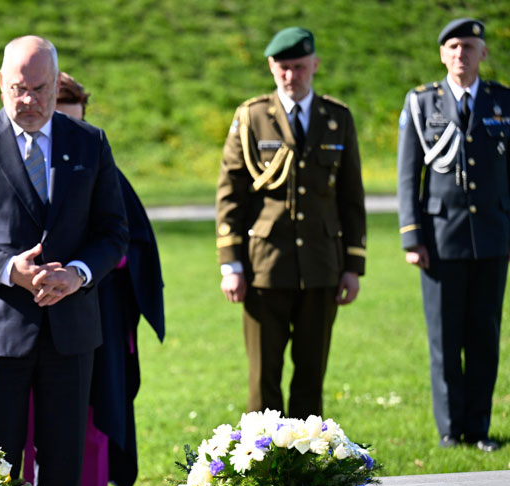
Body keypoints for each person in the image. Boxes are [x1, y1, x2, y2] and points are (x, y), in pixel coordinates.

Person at [0, 35, 129, 486]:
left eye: (40, 89)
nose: (29, 100)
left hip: (71, 331)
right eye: (18, 89)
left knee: (63, 470)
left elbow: (113, 232)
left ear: (55, 84)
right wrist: (9, 270)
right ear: (1, 84)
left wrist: (77, 274)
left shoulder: (90, 143)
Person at [21, 71, 165, 486]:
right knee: (23, 425)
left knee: (89, 422)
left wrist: (88, 268)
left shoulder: (102, 169)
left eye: (74, 121)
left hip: (94, 321)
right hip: (24, 320)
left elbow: (131, 242)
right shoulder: (17, 168)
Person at [215, 27, 366, 419]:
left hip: (321, 266)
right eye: (283, 68)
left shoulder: (337, 118)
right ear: (271, 66)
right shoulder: (251, 117)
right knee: (263, 377)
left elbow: (351, 197)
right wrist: (231, 265)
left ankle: (307, 464)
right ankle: (265, 466)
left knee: (311, 375)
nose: (290, 76)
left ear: (314, 65)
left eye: (299, 67)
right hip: (265, 266)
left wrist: (353, 266)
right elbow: (230, 192)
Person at [397, 18, 509, 452]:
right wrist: (412, 237)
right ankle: (449, 428)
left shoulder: (503, 102)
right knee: (444, 337)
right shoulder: (423, 103)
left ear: (483, 53)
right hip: (440, 239)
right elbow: (408, 176)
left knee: (485, 333)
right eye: (453, 47)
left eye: (469, 46)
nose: (460, 53)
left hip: (493, 238)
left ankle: (479, 428)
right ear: (443, 55)